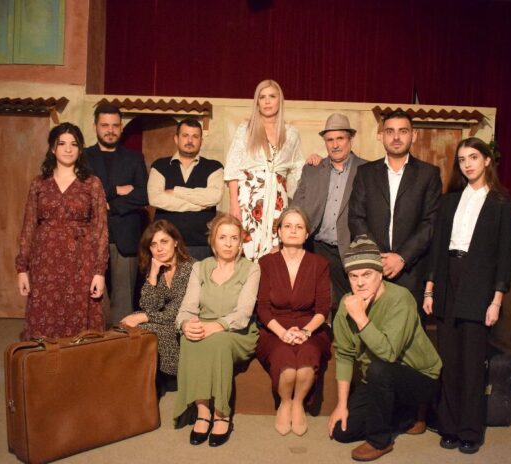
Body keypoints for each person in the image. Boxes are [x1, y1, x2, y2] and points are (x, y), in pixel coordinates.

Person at [348, 109, 441, 433]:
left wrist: (402, 257)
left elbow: (431, 223)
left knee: (410, 340)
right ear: (381, 135)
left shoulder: (428, 174)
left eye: (403, 130)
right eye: (390, 131)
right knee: (378, 337)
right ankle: (384, 407)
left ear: (413, 135)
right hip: (374, 270)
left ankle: (418, 412)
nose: (396, 136)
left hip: (411, 270)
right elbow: (356, 217)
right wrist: (376, 260)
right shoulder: (366, 173)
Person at [423, 137, 511, 455]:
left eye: (474, 157)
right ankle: (449, 426)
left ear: (487, 160)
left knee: (472, 364)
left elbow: (503, 257)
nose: (467, 165)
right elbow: (438, 250)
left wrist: (496, 301)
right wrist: (430, 290)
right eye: (462, 160)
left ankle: (469, 430)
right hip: (448, 279)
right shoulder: (449, 201)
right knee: (449, 361)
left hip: (479, 285)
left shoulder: (502, 204)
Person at [328, 236, 442, 462]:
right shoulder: (346, 303)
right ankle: (407, 415)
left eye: (367, 274)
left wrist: (361, 318)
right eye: (353, 276)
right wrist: (341, 405)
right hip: (376, 380)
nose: (360, 283)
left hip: (419, 377)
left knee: (380, 369)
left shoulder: (400, 299)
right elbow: (344, 355)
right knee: (343, 432)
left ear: (380, 274)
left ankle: (379, 441)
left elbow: (388, 354)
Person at [173, 213, 260, 447]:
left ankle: (222, 414)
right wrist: (186, 324)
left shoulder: (251, 269)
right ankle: (203, 411)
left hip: (237, 331)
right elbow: (187, 307)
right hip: (205, 324)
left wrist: (215, 326)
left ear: (240, 242)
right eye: (222, 237)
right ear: (213, 241)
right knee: (189, 339)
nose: (228, 243)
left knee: (218, 342)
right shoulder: (200, 267)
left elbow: (244, 313)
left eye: (234, 238)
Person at [16, 123, 108, 340]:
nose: (68, 149)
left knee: (79, 320)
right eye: (62, 144)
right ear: (52, 148)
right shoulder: (39, 183)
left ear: (80, 149)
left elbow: (101, 229)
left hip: (81, 261)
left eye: (74, 144)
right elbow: (29, 226)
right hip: (45, 262)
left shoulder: (92, 183)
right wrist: (22, 269)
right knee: (43, 317)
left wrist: (99, 272)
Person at [255, 207, 331, 436]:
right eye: (287, 226)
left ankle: (298, 403)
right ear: (279, 232)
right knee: (286, 363)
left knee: (307, 360)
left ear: (307, 234)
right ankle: (285, 402)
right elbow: (263, 308)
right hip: (274, 328)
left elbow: (323, 308)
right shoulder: (266, 263)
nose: (293, 231)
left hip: (311, 327)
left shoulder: (319, 263)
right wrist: (283, 333)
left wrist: (305, 332)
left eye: (299, 227)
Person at [292, 113, 367, 311]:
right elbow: (296, 208)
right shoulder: (312, 169)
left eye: (340, 138)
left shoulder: (368, 170)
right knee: (314, 303)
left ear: (350, 139)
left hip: (350, 248)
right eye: (330, 140)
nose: (335, 145)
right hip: (316, 247)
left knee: (347, 305)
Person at [224, 79, 305, 261]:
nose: (267, 101)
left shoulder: (291, 132)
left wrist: (314, 161)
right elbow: (233, 167)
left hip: (278, 201)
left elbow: (298, 169)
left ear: (279, 100)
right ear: (257, 102)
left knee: (275, 254)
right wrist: (234, 204)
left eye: (272, 96)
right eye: (262, 97)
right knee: (245, 250)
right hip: (249, 200)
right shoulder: (245, 129)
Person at [85, 103, 148, 325]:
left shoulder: (134, 158)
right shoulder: (83, 157)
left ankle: (121, 341)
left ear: (121, 127)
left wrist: (110, 204)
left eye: (115, 125)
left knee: (123, 302)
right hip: (91, 237)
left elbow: (143, 195)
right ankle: (94, 340)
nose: (110, 130)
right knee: (93, 298)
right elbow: (83, 194)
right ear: (95, 126)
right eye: (105, 125)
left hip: (125, 237)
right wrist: (116, 190)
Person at [120, 220, 193, 396]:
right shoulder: (157, 269)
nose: (159, 248)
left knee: (144, 325)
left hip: (184, 322)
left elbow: (176, 312)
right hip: (164, 320)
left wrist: (144, 317)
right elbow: (147, 305)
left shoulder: (190, 268)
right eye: (153, 244)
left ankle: (159, 381)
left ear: (175, 242)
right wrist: (152, 274)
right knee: (133, 324)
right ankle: (140, 382)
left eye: (164, 242)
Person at [148, 118, 224, 261]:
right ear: (176, 139)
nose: (190, 140)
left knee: (201, 277)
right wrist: (200, 204)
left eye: (195, 136)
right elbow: (155, 198)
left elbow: (214, 197)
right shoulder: (159, 166)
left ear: (201, 141)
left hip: (202, 243)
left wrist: (177, 191)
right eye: (185, 135)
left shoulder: (214, 167)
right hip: (165, 243)